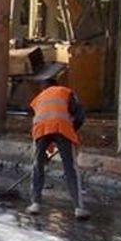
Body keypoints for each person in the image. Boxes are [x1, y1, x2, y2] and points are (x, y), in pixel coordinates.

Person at [26, 77, 90, 219]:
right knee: (70, 168)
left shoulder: (38, 98)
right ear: (56, 85)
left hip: (40, 130)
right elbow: (79, 115)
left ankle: (35, 204)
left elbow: (40, 121)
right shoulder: (66, 92)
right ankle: (79, 208)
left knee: (38, 166)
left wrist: (43, 156)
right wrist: (72, 130)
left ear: (44, 88)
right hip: (62, 128)